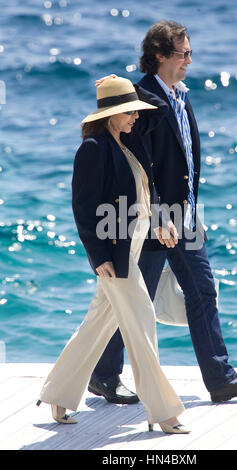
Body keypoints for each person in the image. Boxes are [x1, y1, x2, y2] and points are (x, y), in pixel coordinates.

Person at [89, 21, 237, 404]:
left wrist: (186, 210)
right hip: (152, 221)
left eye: (189, 52)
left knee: (203, 290)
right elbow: (138, 166)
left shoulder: (180, 96)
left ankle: (220, 378)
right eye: (182, 53)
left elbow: (185, 159)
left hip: (184, 217)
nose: (189, 59)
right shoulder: (140, 101)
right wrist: (157, 216)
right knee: (133, 301)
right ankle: (104, 375)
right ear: (159, 55)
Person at [36, 75, 190, 434]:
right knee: (142, 323)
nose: (135, 116)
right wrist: (97, 256)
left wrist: (159, 224)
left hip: (132, 248)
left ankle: (58, 395)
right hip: (114, 258)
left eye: (136, 110)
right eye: (128, 111)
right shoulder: (94, 149)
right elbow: (84, 207)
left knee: (97, 326)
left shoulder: (129, 143)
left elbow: (140, 198)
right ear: (111, 114)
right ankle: (164, 410)